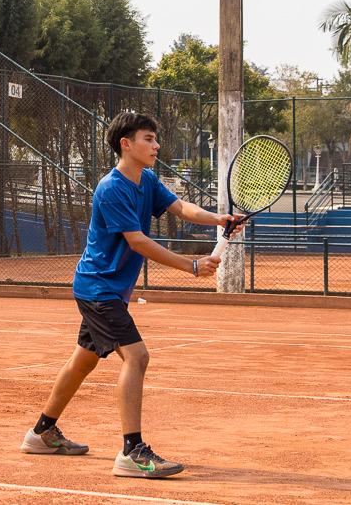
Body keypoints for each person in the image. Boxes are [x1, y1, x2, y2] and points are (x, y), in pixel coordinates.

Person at [20, 111, 245, 478]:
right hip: (99, 288)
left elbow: (180, 208)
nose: (156, 145)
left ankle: (41, 433)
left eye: (155, 139)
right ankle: (132, 452)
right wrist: (191, 265)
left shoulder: (148, 179)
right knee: (137, 357)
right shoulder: (111, 188)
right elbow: (137, 242)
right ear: (126, 144)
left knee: (83, 362)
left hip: (109, 289)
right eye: (148, 139)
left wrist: (218, 219)